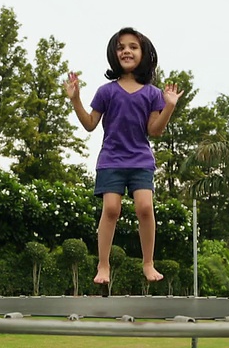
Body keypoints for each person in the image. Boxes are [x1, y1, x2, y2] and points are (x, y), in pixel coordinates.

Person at [64, 27, 184, 285]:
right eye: (121, 47)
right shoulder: (106, 91)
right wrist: (76, 100)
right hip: (111, 159)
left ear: (144, 53)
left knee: (144, 207)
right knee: (110, 209)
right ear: (114, 53)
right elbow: (89, 124)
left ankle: (148, 262)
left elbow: (155, 130)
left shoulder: (152, 93)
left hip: (140, 159)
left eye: (133, 46)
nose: (126, 51)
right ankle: (103, 265)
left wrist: (170, 106)